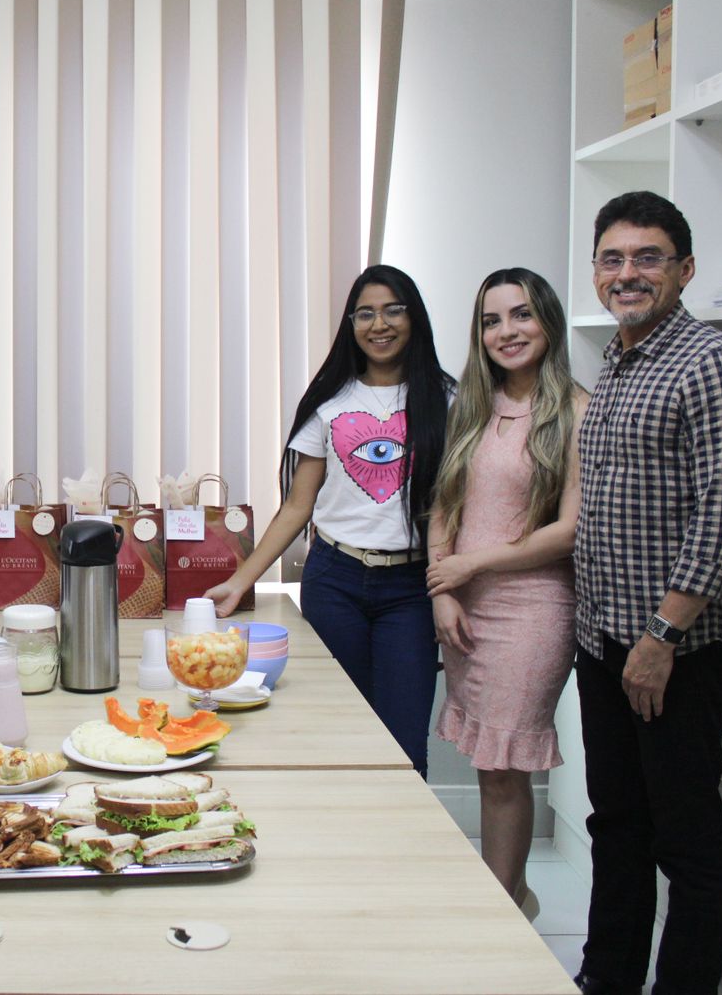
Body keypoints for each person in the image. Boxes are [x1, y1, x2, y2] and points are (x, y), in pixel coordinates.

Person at [572, 191, 722, 995]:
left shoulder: (713, 363)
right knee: (616, 825)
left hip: (673, 651)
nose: (628, 273)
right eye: (613, 259)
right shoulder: (617, 361)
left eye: (648, 258)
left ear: (684, 270)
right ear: (595, 272)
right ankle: (606, 978)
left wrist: (661, 639)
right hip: (604, 640)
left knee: (684, 842)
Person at [207, 264, 455, 776]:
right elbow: (297, 507)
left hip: (411, 588)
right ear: (351, 324)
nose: (379, 324)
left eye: (392, 310)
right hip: (335, 580)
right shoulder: (331, 402)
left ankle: (396, 828)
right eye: (365, 313)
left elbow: (455, 505)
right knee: (335, 728)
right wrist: (239, 581)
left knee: (405, 742)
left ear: (414, 318)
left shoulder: (447, 399)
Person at [426, 268, 587, 920]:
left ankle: (503, 913)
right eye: (492, 321)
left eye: (521, 314)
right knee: (486, 763)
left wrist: (472, 565)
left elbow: (569, 530)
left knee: (504, 766)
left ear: (547, 319)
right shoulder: (472, 404)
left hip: (533, 611)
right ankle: (514, 898)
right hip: (466, 606)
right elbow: (445, 504)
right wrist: (443, 589)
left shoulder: (577, 410)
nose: (507, 331)